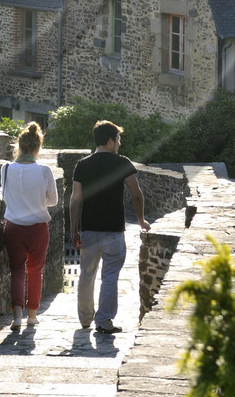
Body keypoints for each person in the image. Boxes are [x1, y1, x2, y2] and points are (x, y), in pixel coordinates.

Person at [70, 119, 148, 334]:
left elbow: (75, 200)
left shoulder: (82, 165)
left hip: (89, 229)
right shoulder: (121, 162)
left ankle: (85, 319)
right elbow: (136, 194)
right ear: (111, 140)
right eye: (118, 139)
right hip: (113, 231)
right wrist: (141, 220)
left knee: (86, 275)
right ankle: (104, 321)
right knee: (110, 277)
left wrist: (74, 229)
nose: (119, 143)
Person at [0, 121, 58, 332]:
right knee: (35, 271)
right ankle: (32, 315)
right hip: (37, 228)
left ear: (19, 146)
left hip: (13, 227)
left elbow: (5, 196)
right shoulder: (44, 171)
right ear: (38, 147)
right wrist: (38, 200)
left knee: (16, 270)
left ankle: (17, 316)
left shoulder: (6, 169)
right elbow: (53, 201)